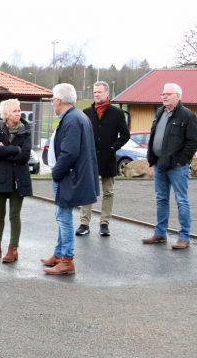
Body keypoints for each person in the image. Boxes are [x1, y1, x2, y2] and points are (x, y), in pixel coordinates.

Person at [41, 83, 99, 275]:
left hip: (68, 176)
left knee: (63, 217)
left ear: (58, 100)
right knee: (61, 216)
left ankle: (67, 260)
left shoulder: (72, 119)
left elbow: (69, 153)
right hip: (72, 174)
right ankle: (59, 254)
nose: (51, 102)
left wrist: (56, 173)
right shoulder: (77, 116)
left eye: (52, 99)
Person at [142, 83, 197, 249]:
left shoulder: (187, 116)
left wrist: (181, 161)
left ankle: (184, 236)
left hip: (177, 167)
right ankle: (160, 234)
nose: (164, 96)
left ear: (178, 96)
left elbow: (193, 141)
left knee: (181, 200)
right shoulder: (160, 113)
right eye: (162, 94)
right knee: (161, 199)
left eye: (168, 94)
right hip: (159, 164)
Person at [0, 99, 33, 263]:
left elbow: (25, 155)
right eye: (14, 111)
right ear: (6, 115)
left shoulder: (26, 130)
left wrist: (4, 150)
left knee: (14, 215)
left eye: (19, 110)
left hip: (19, 177)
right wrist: (13, 149)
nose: (18, 113)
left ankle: (13, 249)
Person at [75, 81, 129, 237]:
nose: (96, 94)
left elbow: (125, 135)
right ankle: (84, 223)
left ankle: (104, 223)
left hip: (108, 158)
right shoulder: (86, 113)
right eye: (94, 92)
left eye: (99, 92)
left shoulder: (117, 113)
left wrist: (113, 147)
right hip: (89, 159)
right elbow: (79, 135)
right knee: (87, 190)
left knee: (108, 192)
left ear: (107, 94)